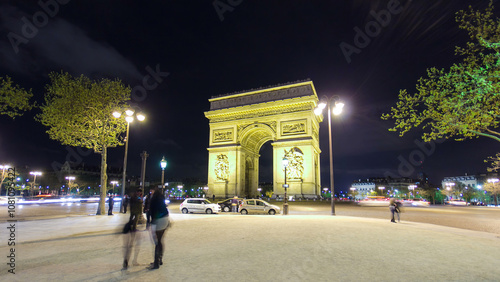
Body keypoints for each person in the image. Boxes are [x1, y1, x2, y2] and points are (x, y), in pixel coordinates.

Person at [148, 187, 170, 270]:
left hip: (158, 220)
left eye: (151, 190)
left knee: (157, 241)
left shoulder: (154, 199)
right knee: (160, 240)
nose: (151, 192)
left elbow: (153, 211)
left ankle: (156, 263)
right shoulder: (161, 197)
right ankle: (160, 259)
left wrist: (152, 221)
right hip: (165, 219)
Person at [123, 189, 143, 270]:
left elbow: (141, 203)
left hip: (137, 211)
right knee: (133, 219)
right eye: (138, 192)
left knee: (135, 220)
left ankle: (133, 227)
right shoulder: (135, 197)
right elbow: (136, 202)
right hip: (134, 211)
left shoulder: (138, 197)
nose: (139, 193)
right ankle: (126, 261)